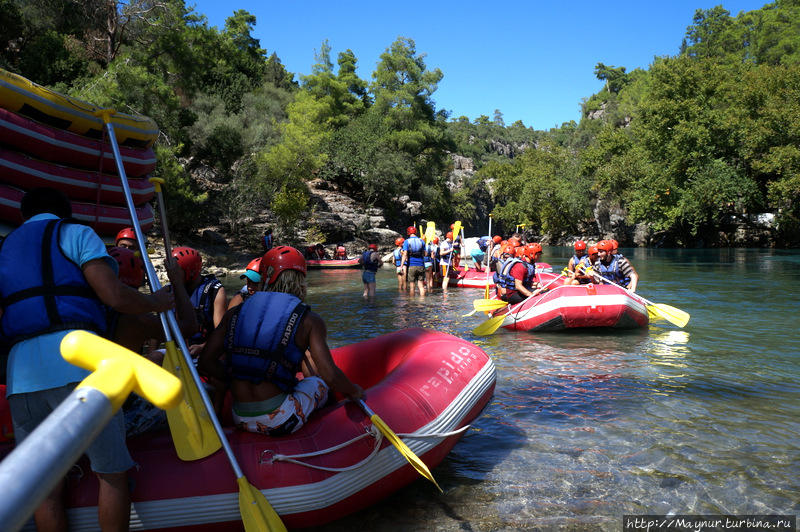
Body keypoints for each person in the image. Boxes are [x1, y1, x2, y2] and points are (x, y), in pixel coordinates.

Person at [0, 187, 175, 531]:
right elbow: (113, 295)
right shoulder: (76, 233)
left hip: (21, 375)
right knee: (112, 474)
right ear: (63, 211)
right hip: (79, 362)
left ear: (26, 215)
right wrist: (156, 303)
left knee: (45, 489)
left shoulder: (5, 247)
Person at [198, 246, 363, 436]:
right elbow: (330, 375)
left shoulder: (235, 312)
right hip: (280, 420)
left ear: (266, 277)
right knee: (319, 384)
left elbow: (205, 361)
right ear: (299, 279)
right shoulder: (309, 320)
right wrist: (354, 391)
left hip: (239, 416)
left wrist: (232, 378)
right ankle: (332, 429)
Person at [172, 246, 228, 356]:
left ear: (191, 272)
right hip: (178, 351)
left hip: (206, 349)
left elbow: (220, 333)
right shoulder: (170, 290)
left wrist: (202, 347)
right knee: (154, 357)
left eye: (176, 271)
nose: (171, 275)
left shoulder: (215, 290)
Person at [402, 226, 426, 296]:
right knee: (421, 286)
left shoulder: (406, 241)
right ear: (416, 232)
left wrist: (401, 266)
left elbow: (405, 254)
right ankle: (422, 302)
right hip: (421, 265)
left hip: (411, 265)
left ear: (408, 232)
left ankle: (412, 303)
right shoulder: (422, 241)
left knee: (412, 287)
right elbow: (425, 254)